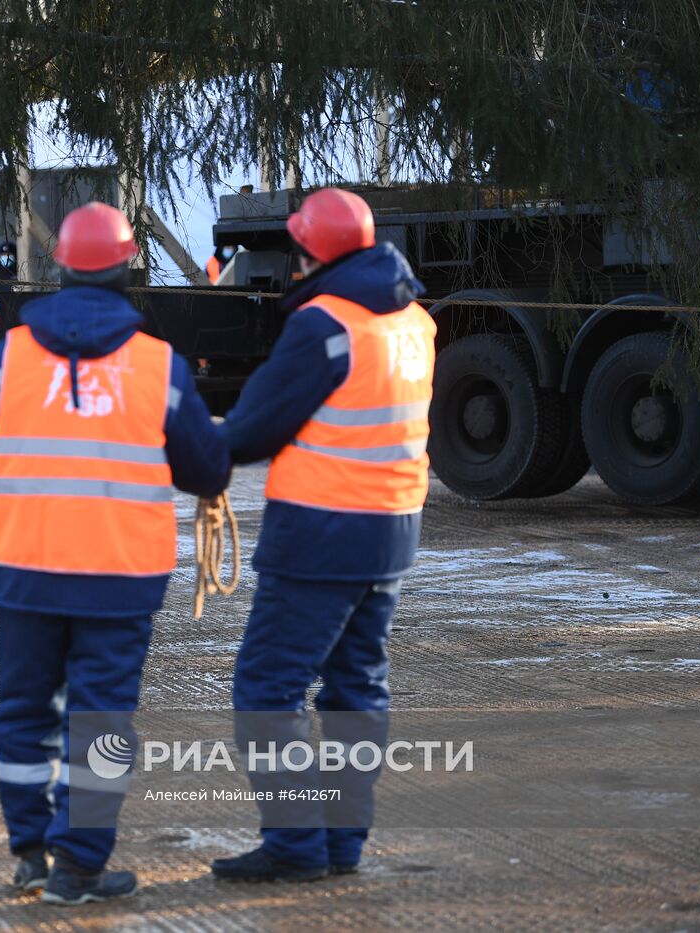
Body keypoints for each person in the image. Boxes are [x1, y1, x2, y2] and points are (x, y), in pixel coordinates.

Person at [0, 202, 230, 905]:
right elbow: (207, 469)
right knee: (101, 720)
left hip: (22, 575)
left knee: (21, 715)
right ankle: (79, 864)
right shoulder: (158, 365)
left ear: (62, 269)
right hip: (119, 581)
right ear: (129, 268)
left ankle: (31, 855)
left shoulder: (11, 356)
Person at [212, 188, 436, 882]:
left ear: (310, 253)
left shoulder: (324, 326)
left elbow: (251, 430)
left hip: (320, 536)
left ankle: (296, 846)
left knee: (266, 689)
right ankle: (342, 845)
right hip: (390, 532)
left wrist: (199, 441)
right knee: (354, 689)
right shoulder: (414, 321)